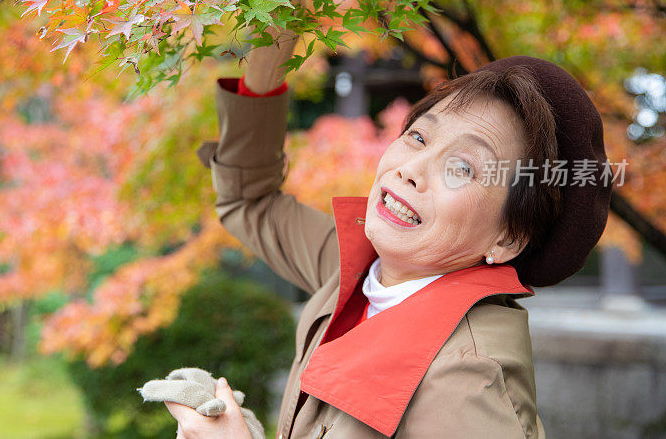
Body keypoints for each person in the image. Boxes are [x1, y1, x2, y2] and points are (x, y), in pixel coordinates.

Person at [166, 25, 612, 438]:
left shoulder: (466, 380)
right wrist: (273, 42)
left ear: (508, 238)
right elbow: (250, 201)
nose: (411, 170)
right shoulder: (359, 269)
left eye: (461, 167)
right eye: (419, 137)